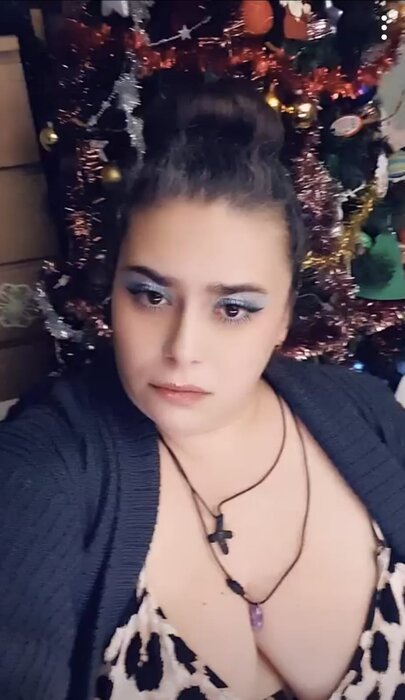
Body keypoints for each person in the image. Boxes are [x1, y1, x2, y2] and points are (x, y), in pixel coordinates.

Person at [1, 80, 405, 700]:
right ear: (112, 291)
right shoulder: (44, 469)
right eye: (151, 295)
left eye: (234, 308)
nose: (182, 347)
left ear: (283, 318)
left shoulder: (368, 415)